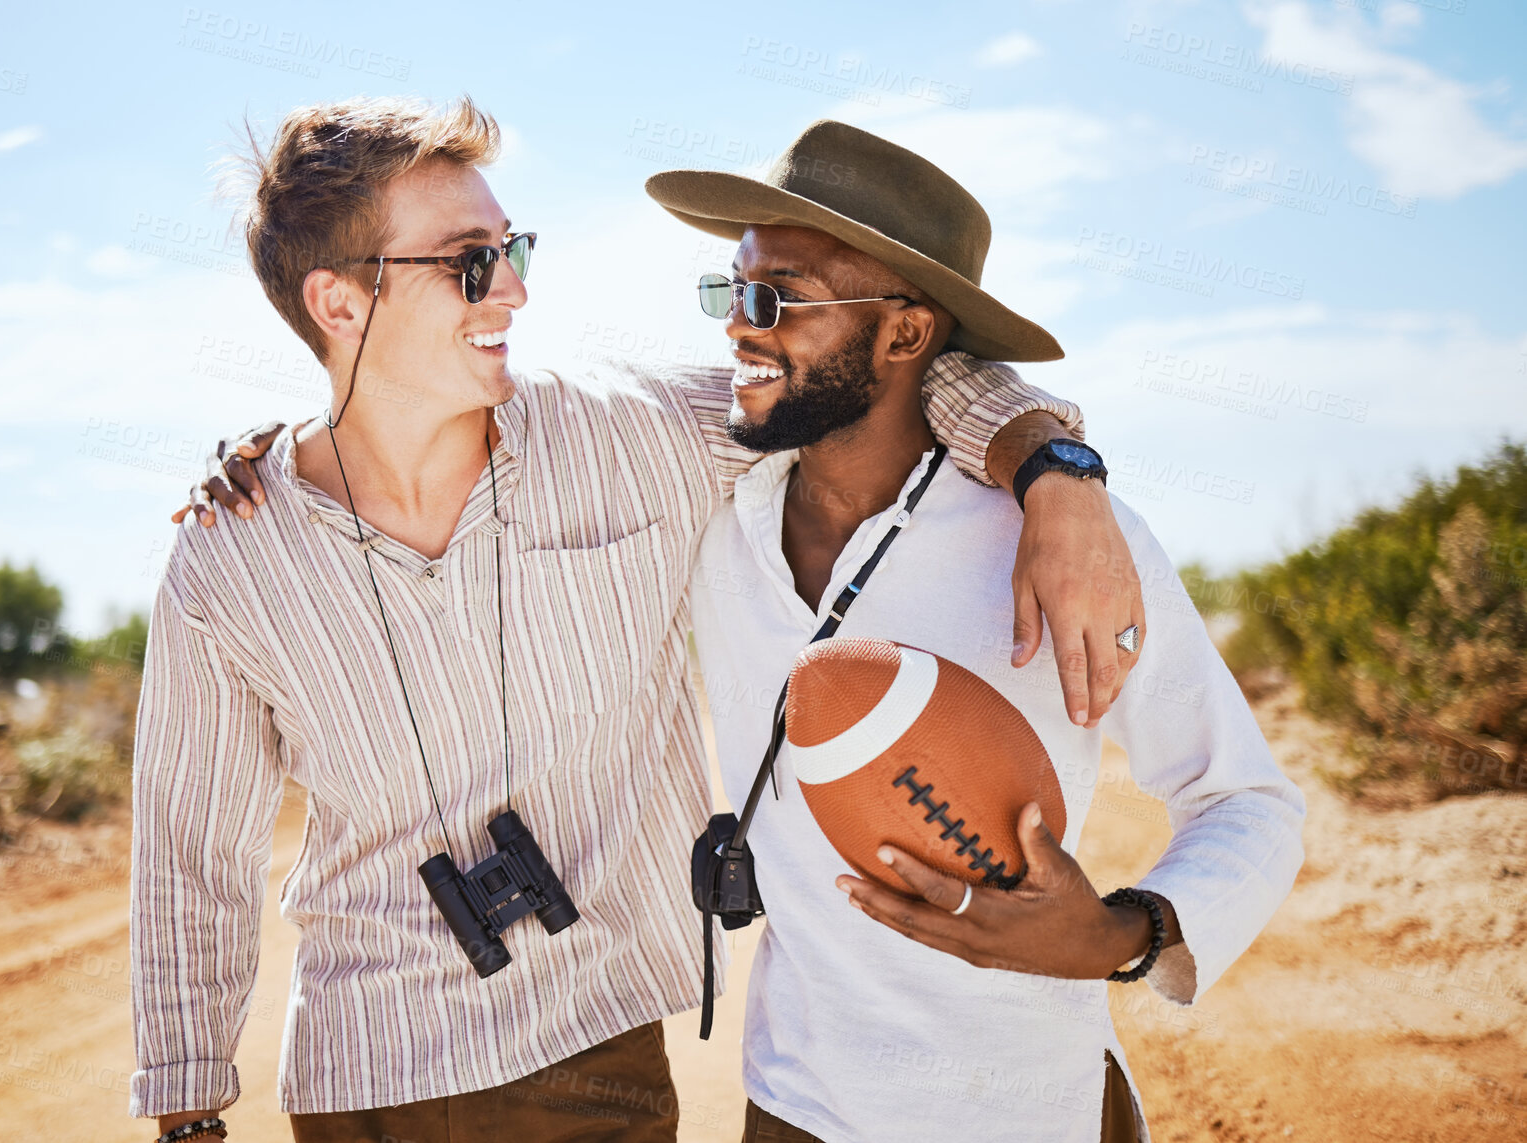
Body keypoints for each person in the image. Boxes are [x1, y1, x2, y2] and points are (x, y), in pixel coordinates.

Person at [139, 96, 1141, 1143]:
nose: (516, 289)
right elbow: (187, 853)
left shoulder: (635, 436)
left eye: (512, 247)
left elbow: (879, 367)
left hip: (588, 1058)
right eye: (470, 262)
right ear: (338, 305)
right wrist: (184, 1115)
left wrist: (1052, 466)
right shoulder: (228, 551)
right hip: (359, 1077)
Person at [653, 121, 1307, 1142]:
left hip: (1024, 1110)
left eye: (772, 298)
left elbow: (1245, 798)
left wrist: (1121, 935)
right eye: (726, 291)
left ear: (906, 334)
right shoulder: (707, 515)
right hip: (791, 1107)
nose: (737, 326)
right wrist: (1046, 449)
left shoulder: (1061, 542)